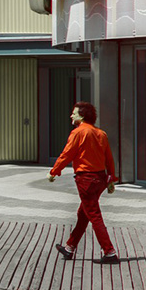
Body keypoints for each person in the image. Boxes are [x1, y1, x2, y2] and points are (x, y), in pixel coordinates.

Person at [49, 101, 120, 263]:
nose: (71, 115)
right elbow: (109, 159)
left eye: (74, 113)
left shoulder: (78, 133)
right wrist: (111, 179)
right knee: (84, 214)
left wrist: (54, 172)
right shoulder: (101, 133)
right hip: (100, 179)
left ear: (81, 116)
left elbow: (66, 154)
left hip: (86, 179)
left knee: (94, 215)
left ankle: (109, 252)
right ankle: (69, 248)